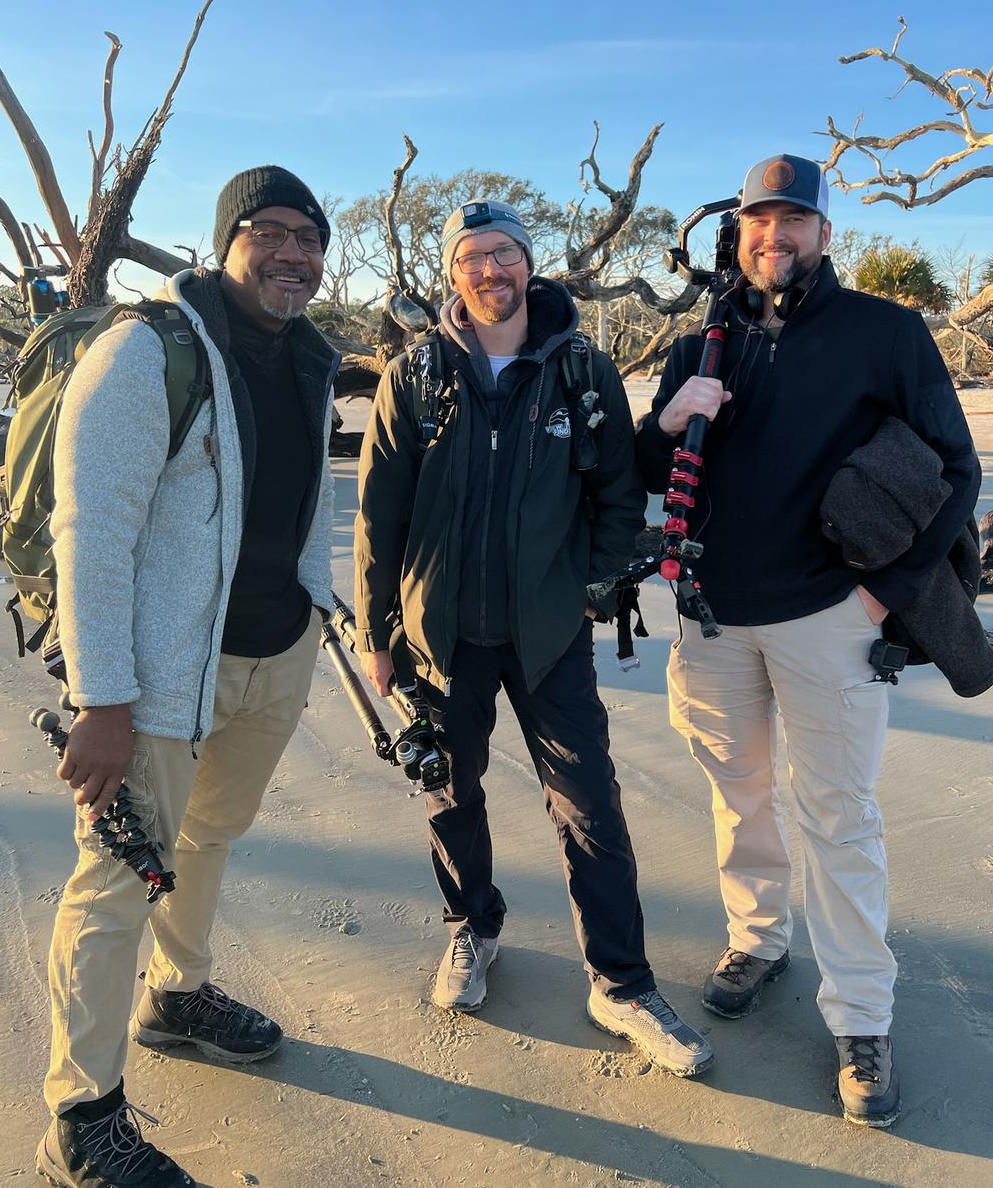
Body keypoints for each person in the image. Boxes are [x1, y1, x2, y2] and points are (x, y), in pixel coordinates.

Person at [635, 154, 981, 1127]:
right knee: (738, 796)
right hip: (708, 618)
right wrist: (670, 416)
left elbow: (956, 472)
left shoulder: (885, 331)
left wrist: (884, 597)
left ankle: (861, 1014)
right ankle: (757, 935)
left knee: (838, 819)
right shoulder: (704, 339)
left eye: (794, 220)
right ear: (738, 229)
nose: (773, 236)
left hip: (833, 619)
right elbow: (646, 466)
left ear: (824, 234)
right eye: (759, 219)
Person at [353, 199, 714, 1080]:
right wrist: (375, 632)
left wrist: (587, 588)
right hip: (441, 640)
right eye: (471, 257)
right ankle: (471, 928)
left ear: (529, 262)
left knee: (590, 805)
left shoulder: (582, 370)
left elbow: (619, 497)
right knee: (449, 792)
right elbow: (379, 512)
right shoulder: (416, 373)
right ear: (453, 274)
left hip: (549, 637)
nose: (489, 271)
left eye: (503, 254)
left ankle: (621, 983)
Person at [38, 166, 340, 1187]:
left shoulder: (310, 356)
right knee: (117, 880)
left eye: (311, 237)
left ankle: (180, 992)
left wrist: (318, 606)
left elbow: (302, 503)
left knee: (209, 836)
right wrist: (104, 699)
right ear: (226, 241)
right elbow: (92, 531)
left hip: (274, 650)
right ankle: (80, 1116)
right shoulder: (145, 351)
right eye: (272, 232)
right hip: (158, 679)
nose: (294, 252)